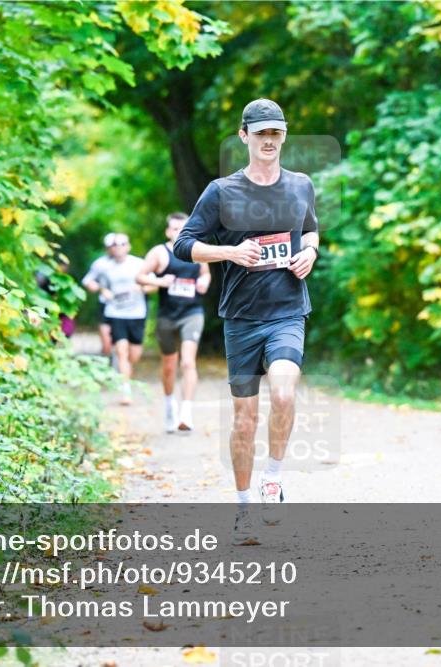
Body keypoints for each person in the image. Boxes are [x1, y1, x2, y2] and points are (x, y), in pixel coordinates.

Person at [172, 99, 319, 545]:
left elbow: (310, 229)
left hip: (287, 312)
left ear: (284, 136)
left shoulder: (301, 185)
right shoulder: (222, 191)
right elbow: (184, 244)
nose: (269, 141)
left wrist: (310, 252)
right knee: (244, 420)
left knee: (284, 391)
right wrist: (230, 253)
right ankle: (242, 508)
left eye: (276, 133)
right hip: (241, 318)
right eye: (261, 133)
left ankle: (272, 478)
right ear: (244, 137)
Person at [137, 212, 211, 433]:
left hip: (192, 313)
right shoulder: (159, 253)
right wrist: (160, 281)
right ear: (168, 231)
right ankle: (170, 405)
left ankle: (186, 412)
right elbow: (140, 277)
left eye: (183, 228)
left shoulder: (198, 250)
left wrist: (204, 282)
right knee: (169, 366)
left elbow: (206, 274)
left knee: (188, 362)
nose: (179, 232)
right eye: (175, 228)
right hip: (167, 315)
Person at [83, 233, 149, 405]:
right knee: (121, 351)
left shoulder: (139, 264)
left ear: (128, 246)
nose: (119, 247)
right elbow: (88, 282)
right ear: (111, 248)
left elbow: (153, 284)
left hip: (137, 313)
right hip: (115, 312)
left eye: (122, 244)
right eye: (115, 244)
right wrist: (101, 289)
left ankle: (125, 369)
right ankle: (125, 390)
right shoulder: (103, 265)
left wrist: (142, 288)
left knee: (134, 355)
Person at [82, 234, 117, 358]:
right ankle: (107, 361)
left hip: (126, 306)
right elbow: (87, 281)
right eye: (111, 246)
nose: (114, 249)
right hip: (106, 304)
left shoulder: (131, 262)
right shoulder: (100, 264)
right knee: (106, 339)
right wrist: (101, 289)